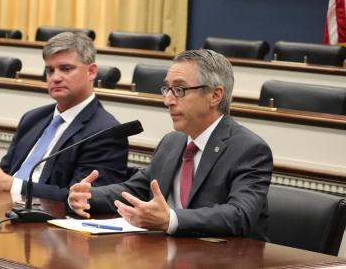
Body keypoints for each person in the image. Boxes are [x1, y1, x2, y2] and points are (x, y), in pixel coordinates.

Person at [68, 49, 273, 240]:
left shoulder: (249, 149)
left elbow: (240, 215)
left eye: (179, 90)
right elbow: (134, 190)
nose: (168, 100)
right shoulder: (172, 142)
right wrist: (87, 196)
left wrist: (171, 219)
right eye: (168, 89)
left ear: (215, 95)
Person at [0, 32, 129, 201]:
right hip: (4, 209)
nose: (55, 78)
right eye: (50, 70)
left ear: (91, 72)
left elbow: (84, 198)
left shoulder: (106, 131)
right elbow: (5, 173)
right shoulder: (33, 118)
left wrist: (9, 184)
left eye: (66, 69)